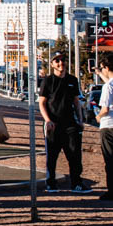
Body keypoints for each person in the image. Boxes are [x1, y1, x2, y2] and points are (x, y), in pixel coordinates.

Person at [38, 51, 90, 193]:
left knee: (74, 155)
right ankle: (51, 183)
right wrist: (47, 120)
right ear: (52, 64)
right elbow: (42, 103)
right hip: (53, 125)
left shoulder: (72, 80)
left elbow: (76, 101)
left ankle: (76, 184)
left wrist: (80, 120)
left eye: (63, 60)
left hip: (70, 124)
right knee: (52, 156)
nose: (61, 63)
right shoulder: (47, 81)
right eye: (57, 61)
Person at [96, 59, 113, 201]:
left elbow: (105, 108)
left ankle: (111, 190)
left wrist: (98, 116)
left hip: (108, 126)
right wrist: (99, 74)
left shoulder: (108, 87)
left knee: (110, 159)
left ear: (107, 67)